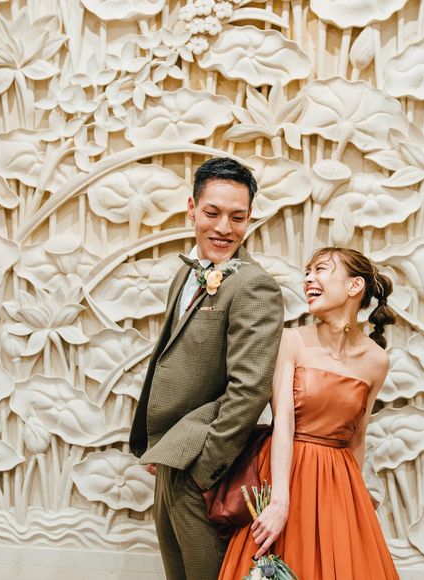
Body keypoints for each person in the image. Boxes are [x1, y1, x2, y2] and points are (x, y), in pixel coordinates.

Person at [130, 157, 284, 580]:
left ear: (250, 217)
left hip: (202, 470)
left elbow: (250, 389)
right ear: (192, 209)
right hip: (169, 458)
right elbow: (169, 361)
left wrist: (205, 470)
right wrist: (158, 447)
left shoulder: (254, 285)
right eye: (212, 213)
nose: (223, 228)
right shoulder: (185, 275)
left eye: (237, 217)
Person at [219, 247, 400, 580]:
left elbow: (357, 438)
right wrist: (279, 501)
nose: (308, 279)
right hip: (286, 473)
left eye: (321, 270)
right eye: (307, 272)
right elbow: (283, 424)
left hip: (339, 483)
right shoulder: (291, 341)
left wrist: (354, 501)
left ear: (354, 286)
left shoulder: (377, 361)